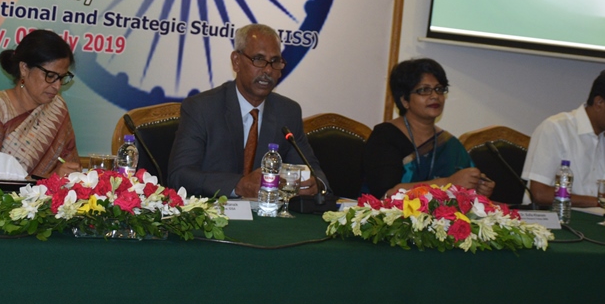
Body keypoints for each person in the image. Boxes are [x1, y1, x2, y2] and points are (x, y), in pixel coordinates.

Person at [167, 23, 327, 198]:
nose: (268, 70)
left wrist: (316, 184)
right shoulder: (202, 108)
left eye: (275, 62)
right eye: (258, 59)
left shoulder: (288, 112)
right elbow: (180, 175)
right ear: (236, 61)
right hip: (215, 209)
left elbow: (314, 171)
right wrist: (238, 186)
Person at [0, 29, 80, 178]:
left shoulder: (57, 107)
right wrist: (51, 180)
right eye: (50, 76)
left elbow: (70, 167)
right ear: (24, 68)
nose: (57, 86)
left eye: (62, 78)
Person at [362, 58, 493, 198]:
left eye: (439, 89)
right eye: (424, 90)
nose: (435, 96)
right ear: (404, 100)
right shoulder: (386, 136)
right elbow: (386, 194)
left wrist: (478, 189)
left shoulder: (450, 144)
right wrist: (448, 183)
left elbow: (464, 189)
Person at [521, 67, 605, 208]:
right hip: (557, 218)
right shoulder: (556, 128)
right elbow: (540, 194)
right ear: (599, 103)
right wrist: (601, 201)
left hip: (601, 220)